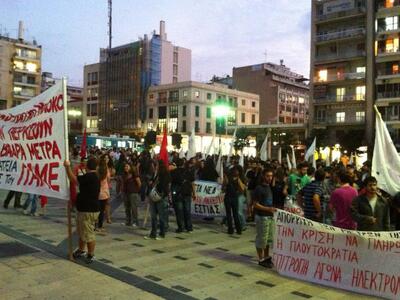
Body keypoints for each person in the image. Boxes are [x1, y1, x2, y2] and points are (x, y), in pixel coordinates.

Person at [64, 156, 100, 264]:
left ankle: (91, 254)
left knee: (88, 233)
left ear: (87, 166)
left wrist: (67, 167)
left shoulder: (90, 176)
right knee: (82, 232)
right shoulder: (93, 176)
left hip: (88, 210)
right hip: (85, 209)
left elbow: (73, 179)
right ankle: (81, 250)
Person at [253, 168, 277, 268]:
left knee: (268, 239)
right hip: (262, 217)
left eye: (271, 176)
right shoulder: (259, 188)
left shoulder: (269, 187)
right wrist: (268, 209)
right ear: (263, 176)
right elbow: (255, 204)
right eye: (268, 176)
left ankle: (266, 257)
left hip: (269, 217)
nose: (270, 178)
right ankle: (261, 258)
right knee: (261, 239)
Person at [145, 160, 170, 240]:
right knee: (153, 216)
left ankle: (162, 233)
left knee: (161, 216)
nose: (154, 167)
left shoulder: (165, 174)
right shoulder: (156, 173)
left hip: (161, 197)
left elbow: (164, 185)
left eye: (156, 165)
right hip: (153, 196)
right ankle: (153, 233)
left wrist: (156, 184)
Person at [171, 159, 194, 233]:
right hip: (187, 193)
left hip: (178, 194)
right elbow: (192, 183)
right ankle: (189, 227)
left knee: (179, 211)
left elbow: (171, 183)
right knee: (187, 210)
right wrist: (194, 193)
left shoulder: (173, 172)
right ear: (183, 164)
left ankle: (181, 227)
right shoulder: (188, 171)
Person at [223, 166, 245, 235]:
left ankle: (238, 229)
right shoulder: (228, 178)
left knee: (235, 214)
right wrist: (225, 178)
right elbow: (224, 186)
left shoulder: (240, 179)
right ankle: (230, 229)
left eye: (237, 171)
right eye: (235, 170)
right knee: (228, 214)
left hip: (235, 197)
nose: (236, 172)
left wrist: (238, 180)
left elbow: (242, 189)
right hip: (228, 197)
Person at [122, 162, 141, 227]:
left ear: (130, 167)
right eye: (125, 167)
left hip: (133, 193)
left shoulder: (134, 174)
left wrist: (137, 190)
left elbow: (139, 184)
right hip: (126, 193)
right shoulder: (124, 175)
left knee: (134, 208)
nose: (126, 168)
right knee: (127, 208)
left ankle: (135, 221)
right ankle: (128, 221)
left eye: (127, 166)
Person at [97, 155, 111, 232]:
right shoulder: (107, 170)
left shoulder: (97, 169)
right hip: (104, 192)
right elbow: (108, 180)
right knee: (102, 210)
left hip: (97, 192)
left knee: (96, 209)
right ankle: (100, 226)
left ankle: (94, 225)